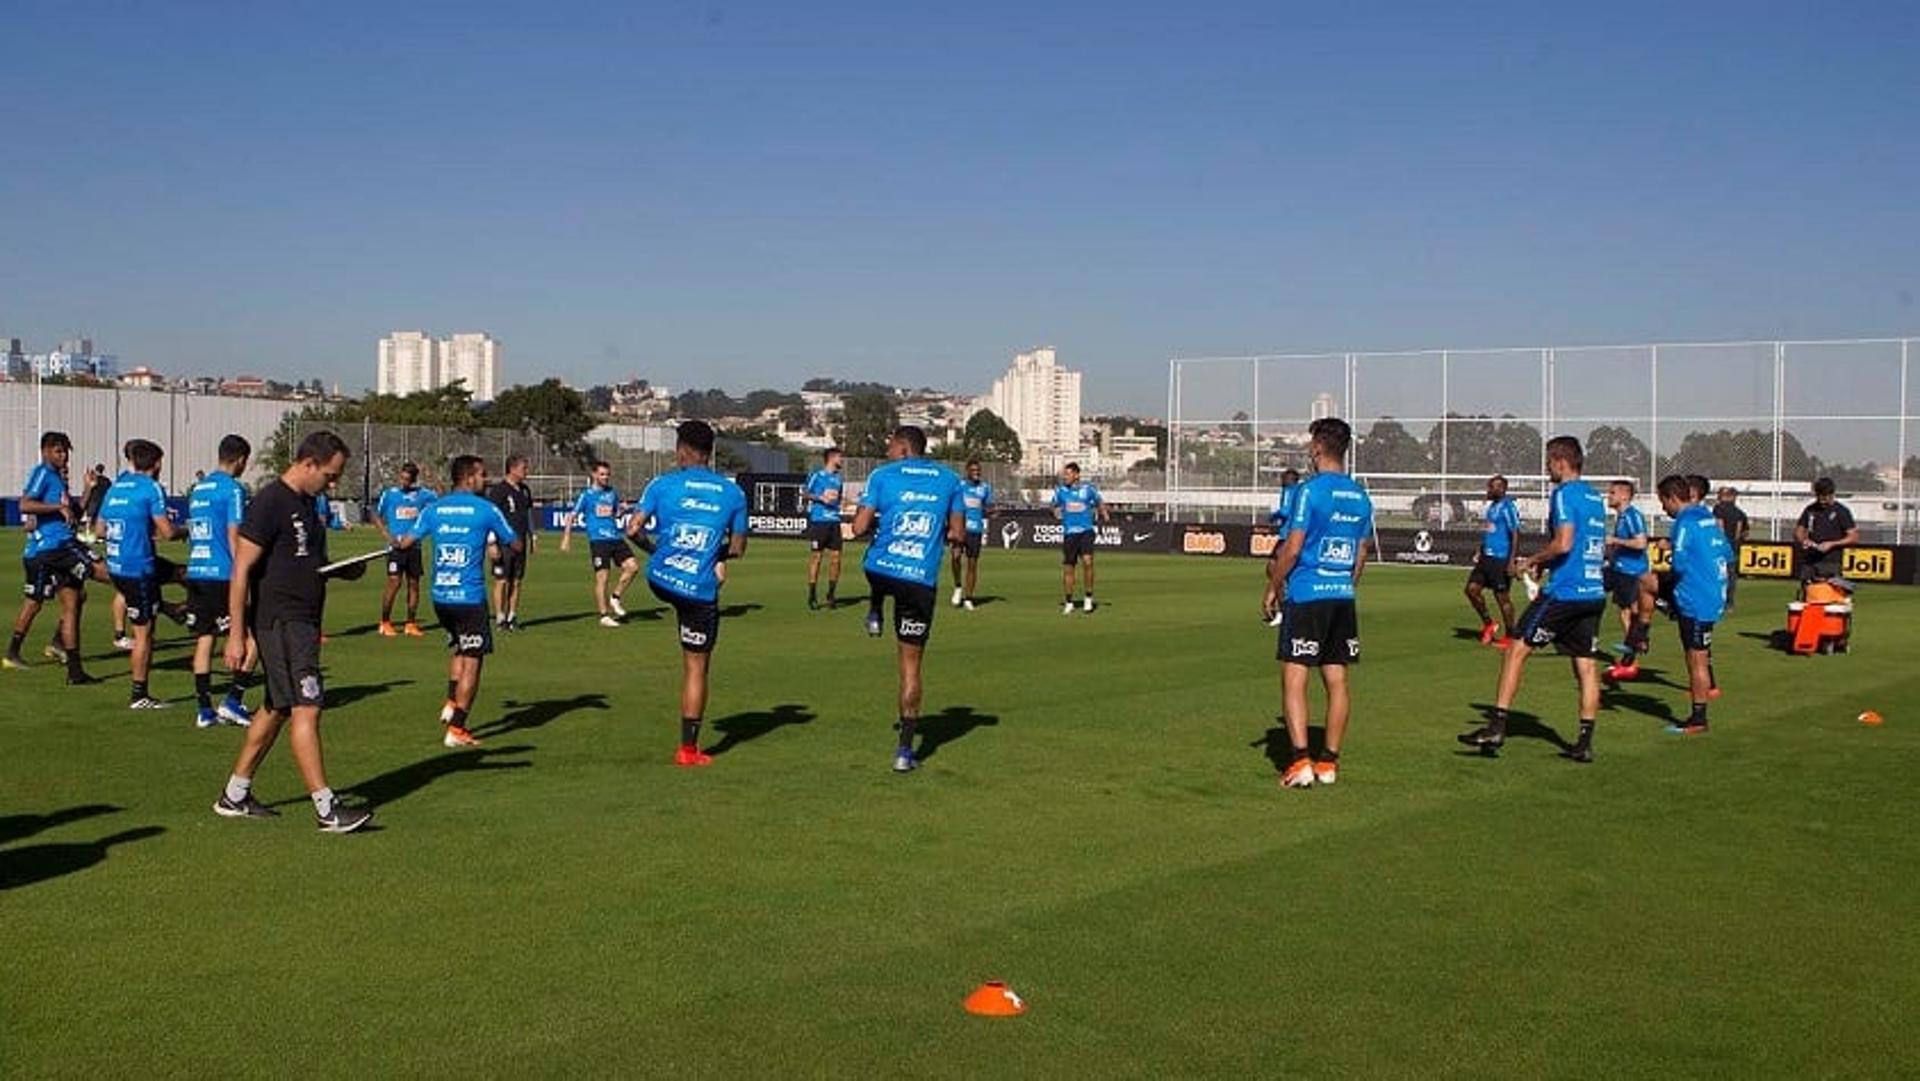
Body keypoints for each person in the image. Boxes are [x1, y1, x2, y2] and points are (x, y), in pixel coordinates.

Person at [211, 429, 373, 833]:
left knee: (277, 707)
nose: (333, 484)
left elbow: (308, 563)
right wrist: (237, 633)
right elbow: (242, 570)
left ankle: (234, 794)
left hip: (304, 619)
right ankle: (326, 808)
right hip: (282, 621)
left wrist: (345, 570)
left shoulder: (309, 504)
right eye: (330, 475)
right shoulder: (270, 502)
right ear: (308, 464)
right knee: (308, 705)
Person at [1459, 435, 1608, 763]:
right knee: (1585, 666)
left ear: (1560, 461)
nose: (1547, 468)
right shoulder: (1595, 497)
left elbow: (1565, 542)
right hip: (1594, 591)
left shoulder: (1565, 494)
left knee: (1515, 650)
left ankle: (1496, 725)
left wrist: (1533, 561)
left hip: (1565, 593)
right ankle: (1585, 742)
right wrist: (1549, 562)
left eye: (1548, 462)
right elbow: (1582, 546)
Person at [628, 421, 748, 766]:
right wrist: (714, 556)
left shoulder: (661, 484)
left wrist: (654, 551)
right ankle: (688, 750)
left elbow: (632, 528)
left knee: (678, 600)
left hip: (661, 579)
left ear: (681, 450)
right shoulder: (732, 493)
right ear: (709, 453)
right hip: (698, 589)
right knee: (696, 668)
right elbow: (738, 548)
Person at [1262, 417, 1373, 789]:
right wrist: (1345, 584)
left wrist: (1274, 587)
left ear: (1318, 448)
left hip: (1308, 594)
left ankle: (1299, 762)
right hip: (1342, 596)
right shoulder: (1360, 495)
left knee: (1294, 677)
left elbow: (1292, 549)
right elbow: (1362, 552)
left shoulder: (1309, 491)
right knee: (1337, 680)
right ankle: (1329, 763)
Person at [852, 426, 966, 773]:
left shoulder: (882, 475)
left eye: (890, 446)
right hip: (919, 580)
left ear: (903, 449)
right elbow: (958, 533)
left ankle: (874, 610)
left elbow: (858, 528)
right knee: (911, 667)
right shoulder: (950, 480)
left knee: (874, 566)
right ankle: (904, 752)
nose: (887, 451)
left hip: (881, 571)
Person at [394, 454, 522, 748]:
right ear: (468, 477)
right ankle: (457, 728)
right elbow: (514, 542)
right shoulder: (486, 509)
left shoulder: (434, 509)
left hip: (441, 597)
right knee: (473, 661)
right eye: (482, 475)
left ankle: (451, 702)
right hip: (469, 597)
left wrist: (393, 540)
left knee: (459, 648)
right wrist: (498, 539)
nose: (486, 479)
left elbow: (406, 543)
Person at [6, 431, 106, 682]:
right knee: (105, 575)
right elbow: (25, 505)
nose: (64, 457)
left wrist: (87, 489)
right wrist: (58, 507)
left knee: (74, 598)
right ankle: (16, 651)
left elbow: (74, 512)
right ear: (46, 451)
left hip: (55, 546)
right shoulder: (43, 474)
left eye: (65, 452)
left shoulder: (57, 480)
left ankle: (65, 658)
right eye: (59, 451)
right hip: (52, 548)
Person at [99, 439, 186, 709]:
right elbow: (168, 532)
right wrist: (188, 530)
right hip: (139, 567)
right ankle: (140, 695)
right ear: (157, 463)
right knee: (144, 633)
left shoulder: (115, 488)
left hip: (117, 565)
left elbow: (100, 529)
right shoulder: (151, 488)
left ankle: (181, 610)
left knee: (183, 574)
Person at [184, 435, 258, 729]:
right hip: (223, 574)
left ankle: (204, 710)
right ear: (240, 459)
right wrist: (245, 575)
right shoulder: (233, 490)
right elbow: (233, 534)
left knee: (205, 638)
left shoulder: (198, 489)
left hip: (197, 570)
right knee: (255, 638)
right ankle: (233, 700)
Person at [1659, 474, 1732, 735]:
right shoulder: (1706, 517)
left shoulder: (1685, 521)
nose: (1663, 509)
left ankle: (1699, 718)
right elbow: (1727, 553)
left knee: (1696, 657)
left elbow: (1678, 564)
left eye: (1663, 502)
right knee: (1696, 655)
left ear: (1672, 498)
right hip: (1712, 594)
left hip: (1695, 598)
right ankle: (1659, 608)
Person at [561, 461, 640, 627]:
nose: (605, 477)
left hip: (615, 538)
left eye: (607, 474)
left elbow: (615, 514)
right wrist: (566, 538)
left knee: (633, 567)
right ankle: (604, 615)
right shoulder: (587, 495)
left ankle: (615, 597)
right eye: (602, 474)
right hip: (598, 541)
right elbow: (571, 516)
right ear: (594, 475)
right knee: (602, 578)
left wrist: (621, 510)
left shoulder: (612, 493)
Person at [375, 462, 436, 636]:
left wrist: (432, 476)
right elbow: (377, 516)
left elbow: (441, 501)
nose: (403, 482)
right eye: (401, 478)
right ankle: (385, 621)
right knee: (394, 582)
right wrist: (388, 537)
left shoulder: (423, 495)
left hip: (414, 546)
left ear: (414, 480)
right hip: (395, 547)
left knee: (414, 584)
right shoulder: (390, 495)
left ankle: (410, 623)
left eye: (407, 480)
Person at [1603, 480, 1653, 679]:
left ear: (1624, 495)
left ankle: (1632, 655)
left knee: (1631, 612)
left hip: (1631, 572)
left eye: (1612, 492)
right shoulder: (1622, 517)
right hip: (1620, 569)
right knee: (1625, 611)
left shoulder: (1632, 516)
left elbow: (1641, 543)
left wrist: (1615, 541)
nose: (1609, 495)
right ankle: (1633, 649)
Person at [1464, 474, 1521, 646]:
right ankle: (1489, 624)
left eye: (1492, 487)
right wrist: (1480, 549)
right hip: (1486, 558)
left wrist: (1511, 561)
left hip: (1500, 559)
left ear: (1502, 489)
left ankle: (1511, 635)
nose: (1489, 490)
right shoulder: (1491, 508)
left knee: (1502, 598)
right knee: (1471, 590)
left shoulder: (1508, 507)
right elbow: (1490, 531)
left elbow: (1516, 534)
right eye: (1489, 486)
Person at [1050, 462, 1108, 614]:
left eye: (1068, 474)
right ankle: (1069, 602)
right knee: (1069, 568)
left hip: (1086, 531)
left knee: (1088, 562)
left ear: (1076, 475)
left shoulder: (1087, 489)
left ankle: (1088, 598)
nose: (1065, 477)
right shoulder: (1061, 491)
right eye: (1064, 474)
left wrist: (1104, 513)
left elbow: (1099, 501)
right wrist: (1055, 511)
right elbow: (1053, 505)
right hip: (1070, 534)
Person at [486, 454, 536, 630]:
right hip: (503, 543)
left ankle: (512, 616)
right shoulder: (498, 491)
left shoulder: (525, 490)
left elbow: (528, 514)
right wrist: (491, 542)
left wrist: (532, 536)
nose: (527, 472)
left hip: (521, 542)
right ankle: (500, 617)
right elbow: (490, 517)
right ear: (513, 469)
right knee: (501, 580)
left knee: (517, 580)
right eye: (524, 468)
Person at [803, 447, 845, 610]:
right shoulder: (817, 475)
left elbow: (838, 498)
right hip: (819, 521)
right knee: (816, 557)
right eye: (840, 458)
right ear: (832, 458)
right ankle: (812, 594)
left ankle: (831, 594)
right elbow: (805, 493)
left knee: (836, 558)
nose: (841, 461)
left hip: (834, 521)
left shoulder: (839, 479)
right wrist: (820, 497)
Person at [1794, 478, 1858, 583]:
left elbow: (1853, 537)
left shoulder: (1841, 511)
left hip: (1831, 562)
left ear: (1832, 494)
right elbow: (1799, 531)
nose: (1821, 499)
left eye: (1824, 496)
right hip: (1810, 560)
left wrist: (1832, 544)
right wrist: (1803, 540)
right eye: (1818, 495)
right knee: (1808, 593)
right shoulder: (1810, 509)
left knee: (1828, 594)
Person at [950, 458, 994, 610]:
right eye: (973, 470)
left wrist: (991, 511)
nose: (976, 473)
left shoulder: (985, 488)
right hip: (960, 528)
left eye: (978, 471)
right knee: (955, 557)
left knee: (972, 564)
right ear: (967, 471)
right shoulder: (959, 486)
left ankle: (968, 598)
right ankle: (957, 586)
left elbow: (987, 507)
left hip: (975, 530)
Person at [1264, 469, 1304, 628]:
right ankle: (1288, 609)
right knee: (1282, 573)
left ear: (1289, 479)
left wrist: (1273, 516)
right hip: (1296, 536)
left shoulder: (1288, 491)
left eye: (1284, 478)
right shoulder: (1301, 491)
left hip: (1286, 537)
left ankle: (1283, 612)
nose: (1281, 481)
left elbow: (1286, 511)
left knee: (1274, 570)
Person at [1712, 487, 1750, 610]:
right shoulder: (1740, 513)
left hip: (1720, 547)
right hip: (1734, 547)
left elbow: (1719, 528)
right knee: (1731, 576)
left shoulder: (1718, 509)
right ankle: (1730, 602)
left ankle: (1717, 601)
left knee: (1717, 575)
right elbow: (1745, 533)